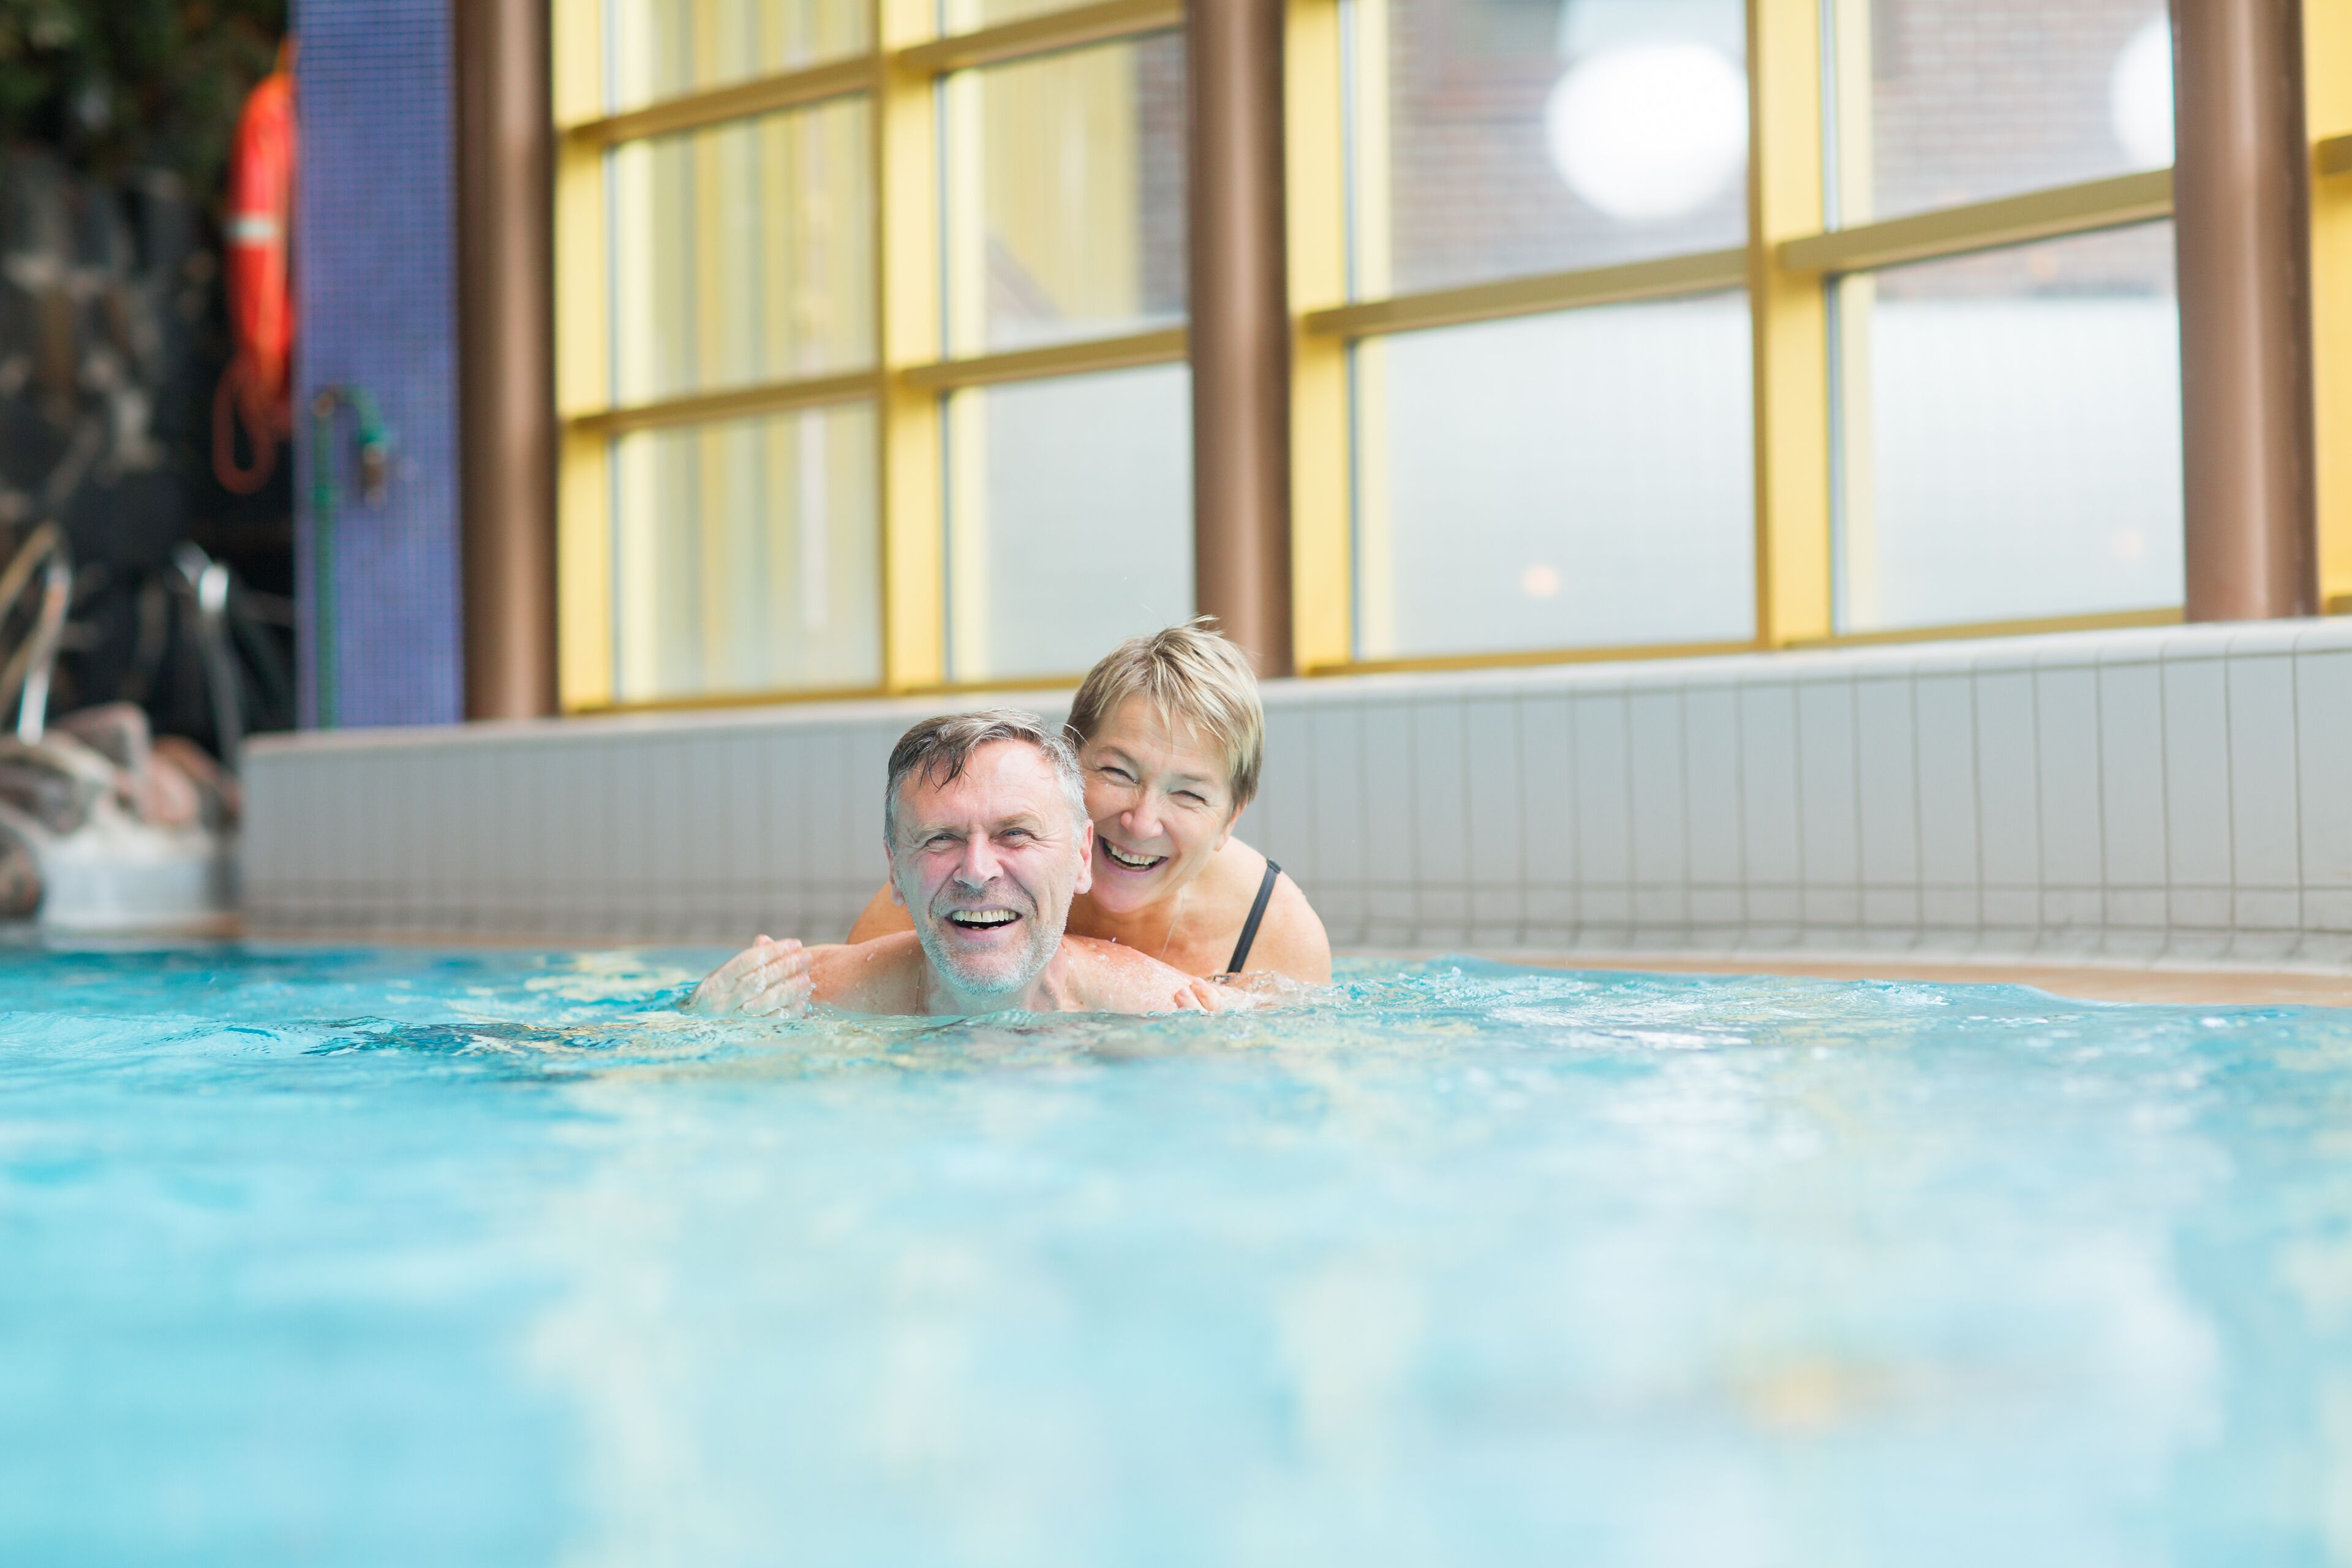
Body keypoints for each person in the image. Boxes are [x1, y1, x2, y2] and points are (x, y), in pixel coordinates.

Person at [846, 620, 1332, 987]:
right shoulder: (957, 891)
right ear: (1068, 766)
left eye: (1188, 794)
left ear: (1231, 818)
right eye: (1118, 773)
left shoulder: (1274, 939)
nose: (1141, 823)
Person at [685, 710, 1247, 1018]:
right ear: (894, 871)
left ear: (1081, 857)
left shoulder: (1167, 1011)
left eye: (1016, 834)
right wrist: (706, 1020)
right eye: (940, 839)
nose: (977, 871)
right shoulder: (813, 995)